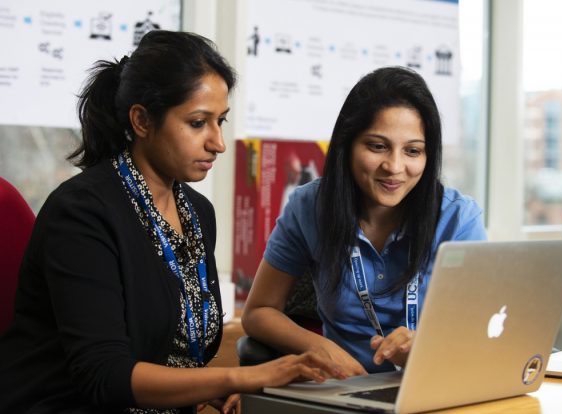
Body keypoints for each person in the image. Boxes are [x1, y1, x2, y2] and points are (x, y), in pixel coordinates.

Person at [0, 30, 345, 414]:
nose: (218, 142)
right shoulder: (81, 212)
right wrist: (242, 377)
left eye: (221, 121)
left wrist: (212, 389)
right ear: (143, 121)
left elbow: (173, 353)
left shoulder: (197, 214)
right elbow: (104, 376)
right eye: (198, 123)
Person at [242, 66, 487, 376]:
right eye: (377, 146)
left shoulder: (458, 218)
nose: (395, 166)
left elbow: (482, 332)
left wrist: (426, 346)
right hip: (342, 388)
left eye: (413, 151)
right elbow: (259, 312)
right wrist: (322, 348)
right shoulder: (309, 207)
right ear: (347, 144)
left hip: (434, 385)